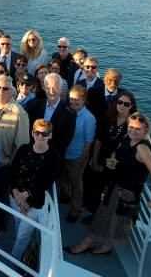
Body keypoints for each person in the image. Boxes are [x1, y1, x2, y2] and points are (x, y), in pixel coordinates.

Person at [65, 113, 151, 255]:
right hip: (115, 186)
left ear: (145, 130)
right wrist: (112, 161)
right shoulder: (127, 138)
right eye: (131, 127)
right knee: (112, 220)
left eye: (138, 129)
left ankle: (82, 245)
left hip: (126, 192)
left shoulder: (142, 147)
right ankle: (106, 247)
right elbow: (115, 153)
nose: (133, 131)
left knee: (103, 217)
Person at [0, 75, 30, 238]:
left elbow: (22, 147)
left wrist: (11, 167)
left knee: (1, 198)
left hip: (2, 166)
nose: (1, 91)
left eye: (5, 88)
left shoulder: (19, 114)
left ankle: (0, 225)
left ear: (12, 90)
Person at [82, 91, 138, 225]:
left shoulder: (133, 124)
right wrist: (94, 160)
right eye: (119, 102)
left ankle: (100, 217)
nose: (122, 106)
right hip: (101, 159)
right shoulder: (108, 116)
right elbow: (99, 140)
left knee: (109, 193)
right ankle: (93, 212)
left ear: (131, 106)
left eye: (126, 104)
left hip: (118, 165)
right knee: (94, 188)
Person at [9, 119, 61, 259]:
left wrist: (25, 194)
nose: (40, 136)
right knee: (18, 226)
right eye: (37, 132)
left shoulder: (54, 157)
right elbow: (13, 171)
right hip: (15, 197)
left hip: (34, 203)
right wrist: (15, 191)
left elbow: (47, 183)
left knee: (22, 236)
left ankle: (16, 262)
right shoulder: (24, 148)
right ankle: (23, 252)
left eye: (45, 133)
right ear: (32, 133)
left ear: (50, 136)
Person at [60, 85, 96, 223]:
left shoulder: (89, 118)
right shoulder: (67, 111)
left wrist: (82, 158)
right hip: (64, 152)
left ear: (84, 100)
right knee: (64, 178)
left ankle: (76, 210)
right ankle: (64, 196)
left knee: (76, 185)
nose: (73, 102)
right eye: (71, 99)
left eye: (77, 99)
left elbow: (89, 139)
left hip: (76, 156)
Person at [25, 73, 77, 161]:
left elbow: (66, 140)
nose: (51, 91)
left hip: (54, 157)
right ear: (44, 88)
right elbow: (28, 128)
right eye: (48, 88)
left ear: (61, 89)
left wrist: (45, 150)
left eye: (55, 88)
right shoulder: (35, 105)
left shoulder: (70, 113)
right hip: (33, 153)